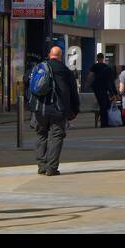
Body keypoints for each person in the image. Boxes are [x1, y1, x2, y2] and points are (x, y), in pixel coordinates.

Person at [31, 46, 80, 176]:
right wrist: (75, 109)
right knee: (57, 137)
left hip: (40, 108)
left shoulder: (39, 67)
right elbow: (73, 92)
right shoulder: (66, 71)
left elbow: (29, 85)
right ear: (61, 56)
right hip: (58, 109)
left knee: (41, 135)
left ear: (49, 55)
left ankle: (41, 166)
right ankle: (51, 168)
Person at [87, 52, 117, 128]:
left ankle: (104, 122)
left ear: (97, 59)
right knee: (105, 104)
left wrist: (88, 84)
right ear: (103, 58)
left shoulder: (94, 66)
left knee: (102, 104)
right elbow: (110, 80)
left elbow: (90, 75)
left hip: (97, 87)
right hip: (104, 87)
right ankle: (105, 122)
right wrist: (112, 92)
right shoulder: (106, 67)